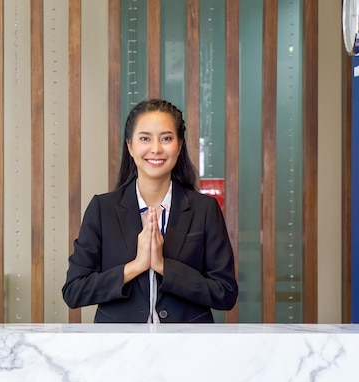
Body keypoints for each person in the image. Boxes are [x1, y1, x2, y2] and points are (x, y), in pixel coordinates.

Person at [62, 99, 238, 323]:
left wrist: (164, 266)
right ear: (130, 146)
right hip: (119, 348)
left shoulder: (204, 209)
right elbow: (74, 291)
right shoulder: (102, 209)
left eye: (166, 138)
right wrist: (135, 267)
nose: (156, 148)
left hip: (188, 346)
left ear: (180, 145)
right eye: (145, 138)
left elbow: (226, 293)